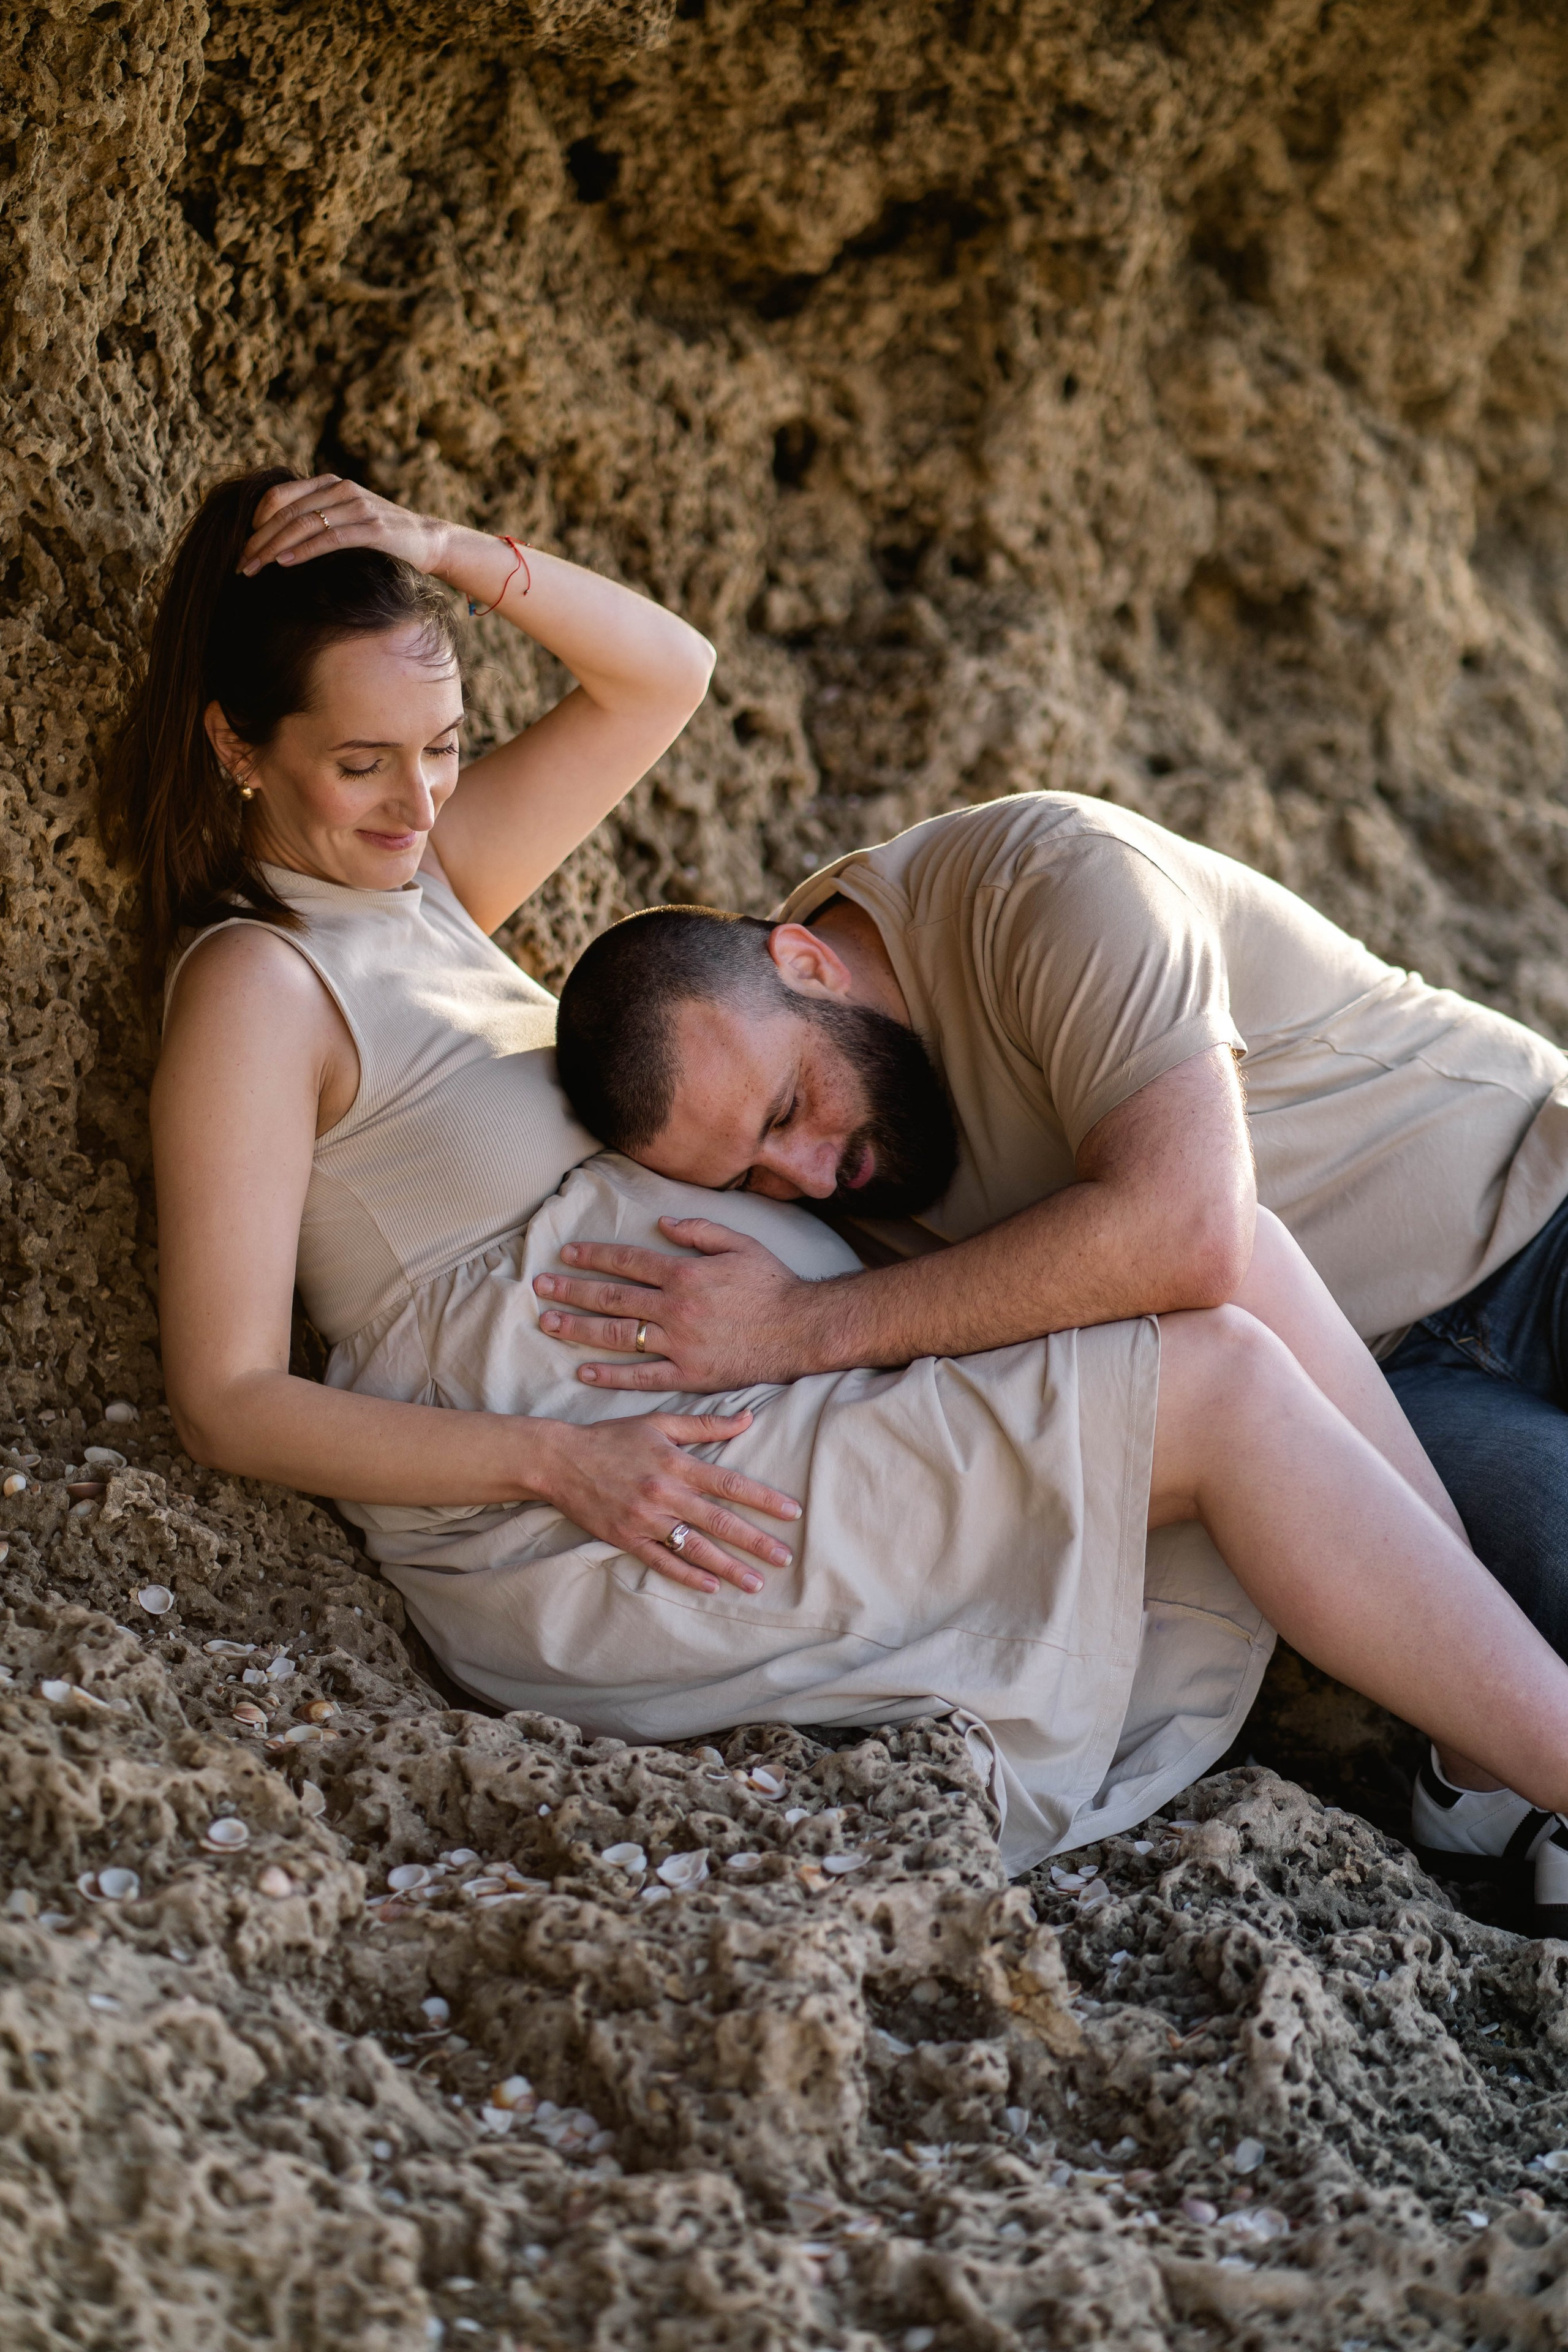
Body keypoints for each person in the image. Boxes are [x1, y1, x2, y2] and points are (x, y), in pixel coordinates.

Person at [100, 473, 1568, 1906]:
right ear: (241, 746)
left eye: (442, 745)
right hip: (608, 1496)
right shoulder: (256, 981)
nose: (418, 797)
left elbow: (662, 676)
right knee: (1223, 1387)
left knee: (1222, 1265)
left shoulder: (422, 886)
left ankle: (1488, 1761)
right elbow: (226, 1398)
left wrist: (437, 548)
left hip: (730, 1415)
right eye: (362, 762)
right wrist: (553, 1464)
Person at [546, 794, 1568, 1896]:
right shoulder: (831, 1167)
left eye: (790, 1108)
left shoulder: (1049, 883)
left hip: (1530, 1204)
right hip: (1378, 1407)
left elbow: (1195, 1232)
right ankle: (1480, 1795)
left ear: (806, 961)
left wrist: (799, 1325)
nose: (800, 1175)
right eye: (749, 1180)